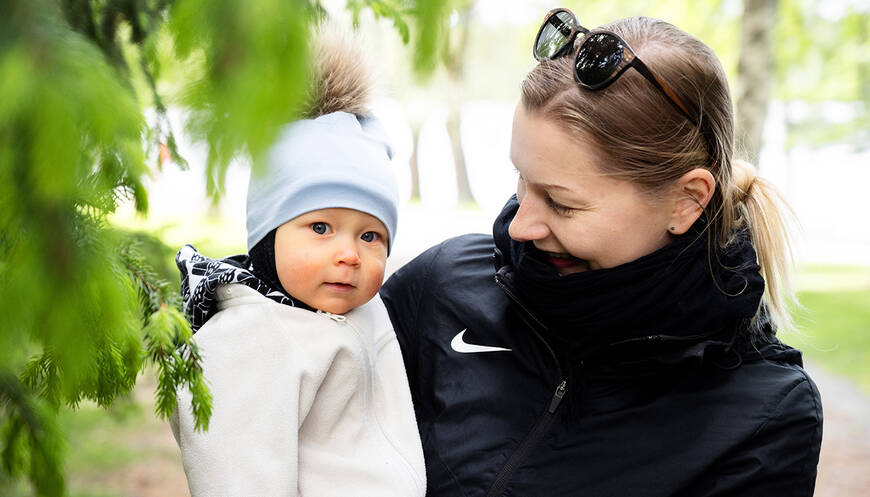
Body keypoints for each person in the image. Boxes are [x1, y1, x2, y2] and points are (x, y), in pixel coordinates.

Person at [381, 11, 822, 497]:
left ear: (687, 200)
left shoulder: (767, 416)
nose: (520, 225)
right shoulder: (442, 287)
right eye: (521, 181)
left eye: (561, 203)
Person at [170, 32, 426, 497]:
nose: (349, 254)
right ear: (269, 238)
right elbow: (237, 478)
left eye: (370, 236)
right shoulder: (248, 340)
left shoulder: (358, 308)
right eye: (321, 228)